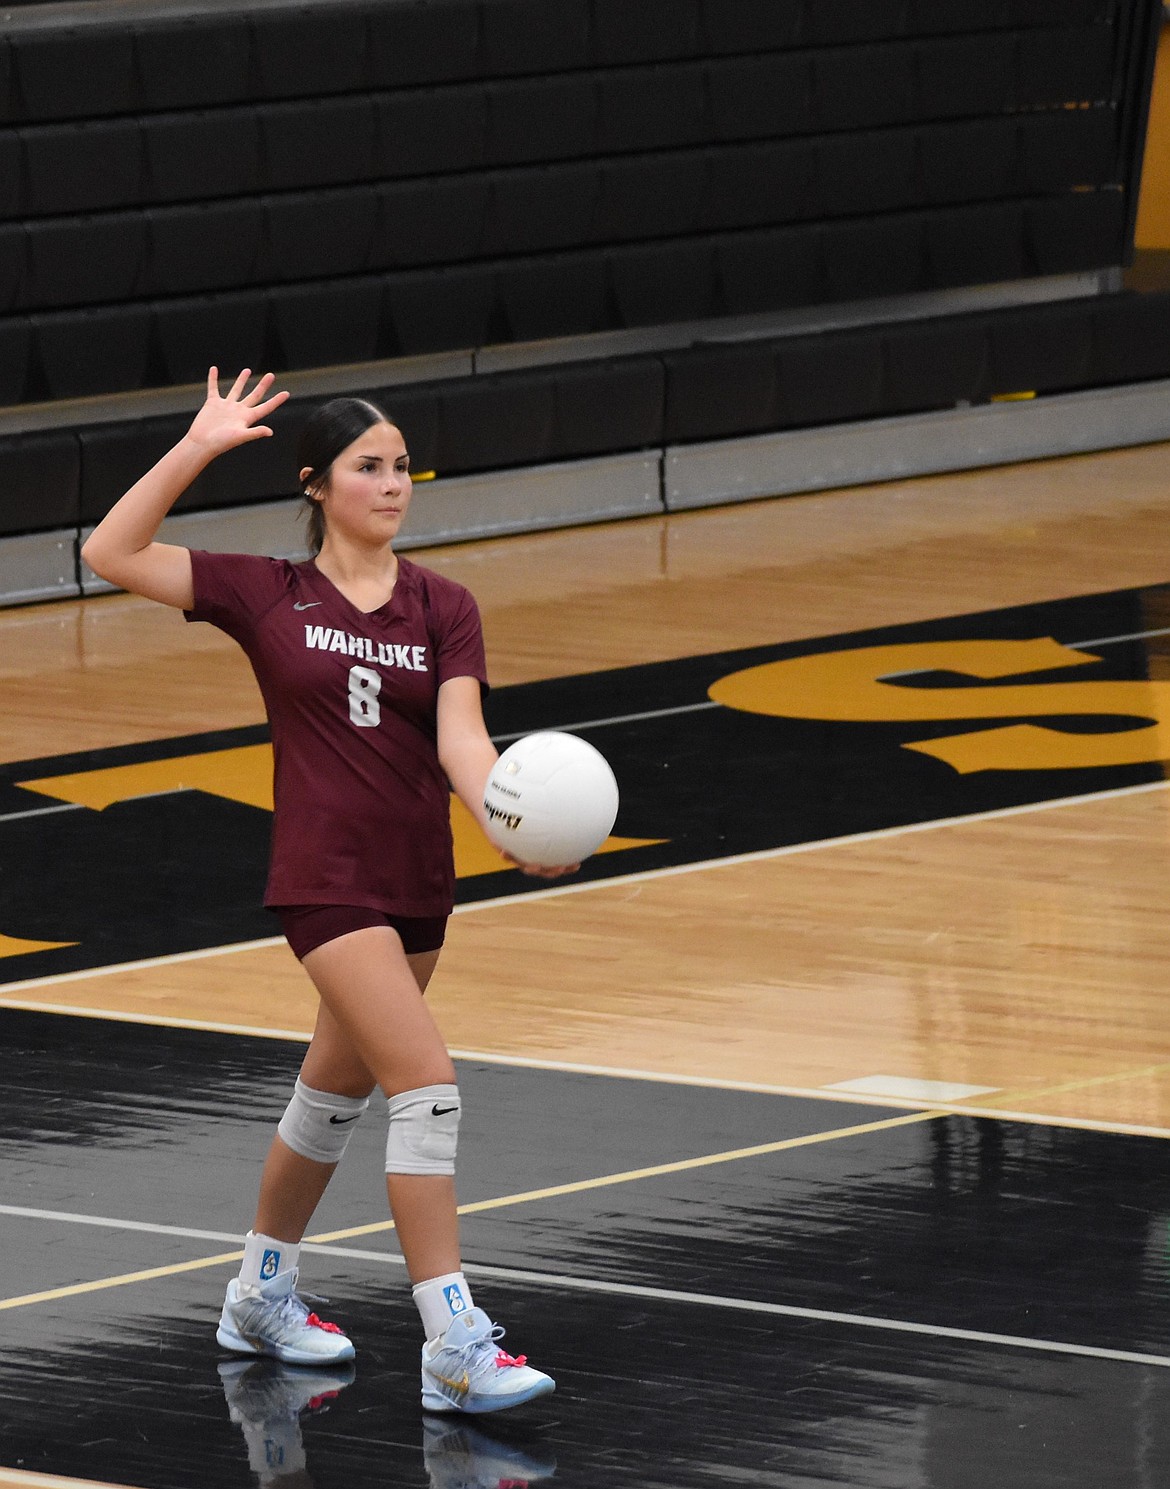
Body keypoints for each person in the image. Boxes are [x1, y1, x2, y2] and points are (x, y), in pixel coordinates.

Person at [81, 367, 571, 1415]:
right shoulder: (266, 591)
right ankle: (452, 1342)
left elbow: (464, 743)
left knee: (331, 1096)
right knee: (427, 1088)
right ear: (317, 484)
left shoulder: (444, 605)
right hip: (323, 881)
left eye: (402, 466)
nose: (394, 484)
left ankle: (258, 1293)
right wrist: (200, 446)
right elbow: (108, 551)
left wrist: (513, 820)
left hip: (416, 883)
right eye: (370, 466)